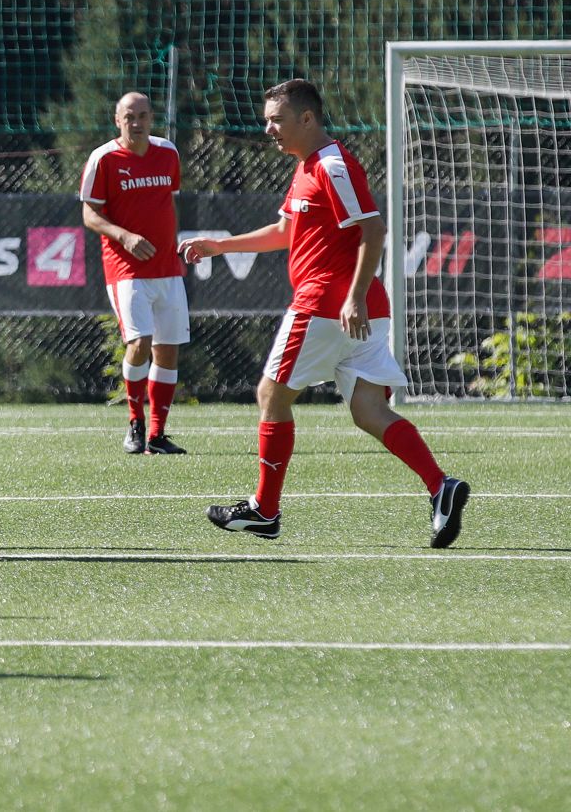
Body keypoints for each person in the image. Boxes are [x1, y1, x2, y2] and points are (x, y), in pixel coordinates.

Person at [179, 78, 469, 546]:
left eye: (277, 120)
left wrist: (352, 295)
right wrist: (219, 245)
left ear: (307, 119)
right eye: (267, 120)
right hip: (356, 308)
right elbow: (284, 230)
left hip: (327, 306)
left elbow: (373, 232)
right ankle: (441, 486)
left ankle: (264, 510)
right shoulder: (307, 166)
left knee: (271, 396)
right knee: (369, 410)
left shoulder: (333, 166)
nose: (268, 128)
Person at [79, 92, 190, 455]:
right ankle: (135, 422)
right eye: (129, 117)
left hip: (167, 267)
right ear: (117, 120)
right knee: (140, 343)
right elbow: (89, 214)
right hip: (125, 268)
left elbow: (167, 202)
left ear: (151, 117)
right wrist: (124, 236)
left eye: (143, 115)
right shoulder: (104, 159)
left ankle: (158, 434)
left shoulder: (168, 153)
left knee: (168, 351)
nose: (137, 123)